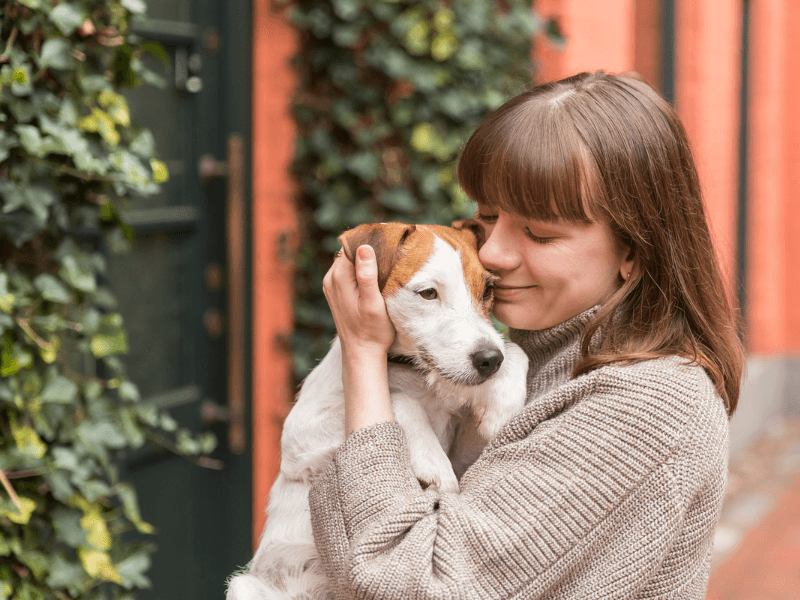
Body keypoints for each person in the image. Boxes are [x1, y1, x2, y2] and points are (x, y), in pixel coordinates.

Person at [312, 71, 745, 600]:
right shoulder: (521, 357)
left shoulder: (650, 405)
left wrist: (361, 353)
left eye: (540, 232)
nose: (490, 253)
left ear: (633, 251)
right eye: (487, 216)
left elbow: (406, 584)